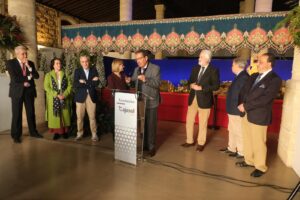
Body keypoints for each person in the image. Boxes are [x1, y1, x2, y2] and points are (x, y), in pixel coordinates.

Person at [236, 53, 282, 178]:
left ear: (269, 64)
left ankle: (260, 167)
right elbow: (245, 91)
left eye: (261, 62)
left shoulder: (275, 79)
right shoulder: (255, 75)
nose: (258, 64)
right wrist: (241, 103)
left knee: (258, 142)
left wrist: (246, 106)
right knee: (248, 139)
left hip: (259, 115)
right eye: (258, 61)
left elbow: (265, 99)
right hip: (246, 113)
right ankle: (249, 161)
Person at [181, 49, 220, 152]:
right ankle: (189, 141)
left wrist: (202, 88)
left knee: (203, 123)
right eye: (199, 57)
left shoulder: (213, 70)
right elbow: (190, 81)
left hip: (205, 100)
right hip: (193, 98)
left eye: (201, 57)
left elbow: (216, 86)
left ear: (207, 59)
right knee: (189, 121)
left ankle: (201, 143)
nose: (199, 59)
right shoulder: (195, 68)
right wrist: (191, 85)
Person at [6, 46, 43, 143]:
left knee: (31, 113)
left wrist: (29, 67)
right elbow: (15, 78)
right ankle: (16, 135)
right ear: (17, 54)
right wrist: (26, 79)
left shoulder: (30, 63)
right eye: (23, 54)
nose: (25, 55)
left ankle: (33, 132)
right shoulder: (10, 63)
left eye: (26, 53)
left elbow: (36, 76)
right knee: (17, 114)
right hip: (17, 92)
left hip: (29, 92)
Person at [131, 50, 160, 157]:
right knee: (142, 124)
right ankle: (144, 145)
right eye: (136, 59)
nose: (137, 61)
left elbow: (157, 84)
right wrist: (129, 80)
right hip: (139, 101)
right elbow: (134, 79)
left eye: (139, 58)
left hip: (151, 100)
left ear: (146, 58)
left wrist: (145, 79)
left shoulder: (155, 68)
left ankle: (151, 147)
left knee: (151, 125)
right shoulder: (136, 69)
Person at [219, 58, 249, 158]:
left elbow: (245, 94)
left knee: (238, 131)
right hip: (232, 109)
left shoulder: (244, 77)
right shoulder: (239, 76)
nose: (231, 67)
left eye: (232, 65)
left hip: (237, 109)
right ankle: (231, 147)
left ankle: (241, 151)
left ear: (238, 65)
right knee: (232, 130)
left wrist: (242, 105)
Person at [44, 58, 72, 140]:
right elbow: (46, 87)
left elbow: (70, 86)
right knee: (56, 116)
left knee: (64, 114)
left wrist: (65, 94)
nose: (58, 65)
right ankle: (56, 133)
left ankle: (64, 132)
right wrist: (56, 94)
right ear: (53, 65)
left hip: (64, 97)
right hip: (53, 99)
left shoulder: (65, 74)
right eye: (56, 63)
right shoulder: (48, 75)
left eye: (59, 63)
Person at [73, 54, 100, 142]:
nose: (85, 63)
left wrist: (84, 82)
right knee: (80, 117)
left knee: (92, 117)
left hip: (91, 97)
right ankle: (79, 134)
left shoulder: (94, 70)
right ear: (80, 63)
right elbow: (75, 84)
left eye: (86, 61)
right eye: (83, 62)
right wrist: (90, 82)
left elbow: (96, 83)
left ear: (89, 61)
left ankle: (94, 134)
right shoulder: (77, 71)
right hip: (80, 97)